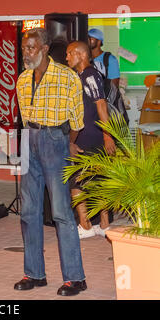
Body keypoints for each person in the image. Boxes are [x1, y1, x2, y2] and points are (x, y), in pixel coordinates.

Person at [14, 28, 86, 296]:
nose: (26, 53)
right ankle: (34, 273)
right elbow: (24, 116)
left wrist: (66, 142)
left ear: (44, 48)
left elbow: (78, 119)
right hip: (29, 140)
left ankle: (75, 278)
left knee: (60, 212)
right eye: (24, 48)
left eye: (31, 48)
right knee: (29, 212)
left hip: (56, 140)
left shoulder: (67, 77)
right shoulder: (22, 80)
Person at [66, 41, 116, 239]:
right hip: (89, 135)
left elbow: (101, 105)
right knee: (96, 180)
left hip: (91, 137)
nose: (67, 57)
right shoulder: (81, 75)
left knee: (77, 181)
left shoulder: (89, 74)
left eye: (70, 54)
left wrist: (107, 135)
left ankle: (86, 226)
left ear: (80, 54)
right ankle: (102, 225)